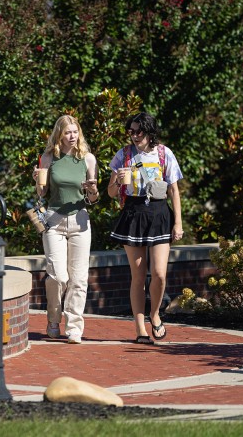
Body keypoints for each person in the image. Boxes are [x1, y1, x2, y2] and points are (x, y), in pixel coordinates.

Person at [106, 112, 184, 344]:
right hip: (133, 213)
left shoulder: (164, 153)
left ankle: (155, 314)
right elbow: (110, 192)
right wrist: (117, 181)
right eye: (130, 131)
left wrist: (178, 222)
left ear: (149, 131)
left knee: (159, 273)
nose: (134, 135)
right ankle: (140, 328)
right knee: (138, 275)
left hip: (159, 213)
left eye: (138, 131)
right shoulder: (124, 154)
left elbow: (174, 190)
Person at [33, 114, 99, 344]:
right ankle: (53, 319)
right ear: (59, 135)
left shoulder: (88, 159)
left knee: (79, 278)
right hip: (54, 219)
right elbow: (41, 194)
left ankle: (74, 327)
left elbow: (93, 198)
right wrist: (36, 180)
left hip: (80, 220)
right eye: (67, 132)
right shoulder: (49, 157)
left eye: (75, 132)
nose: (72, 136)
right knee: (58, 276)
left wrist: (92, 190)